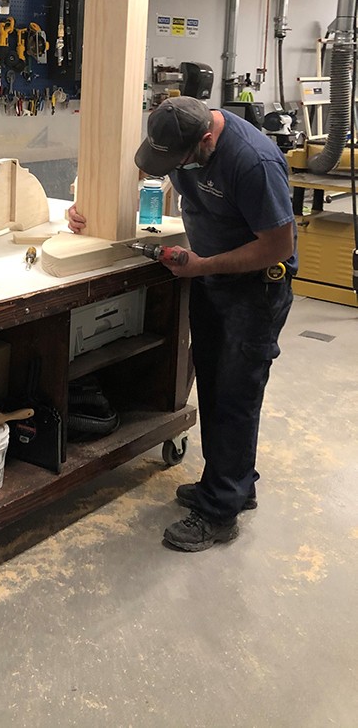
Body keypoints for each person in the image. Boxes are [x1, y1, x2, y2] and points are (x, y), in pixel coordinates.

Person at [69, 96, 296, 552]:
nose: (174, 168)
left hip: (254, 288)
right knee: (212, 381)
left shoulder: (253, 162)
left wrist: (203, 264)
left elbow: (276, 245)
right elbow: (137, 168)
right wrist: (84, 203)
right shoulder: (176, 129)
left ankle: (219, 512)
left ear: (208, 141)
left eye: (183, 162)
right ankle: (232, 483)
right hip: (211, 275)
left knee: (236, 390)